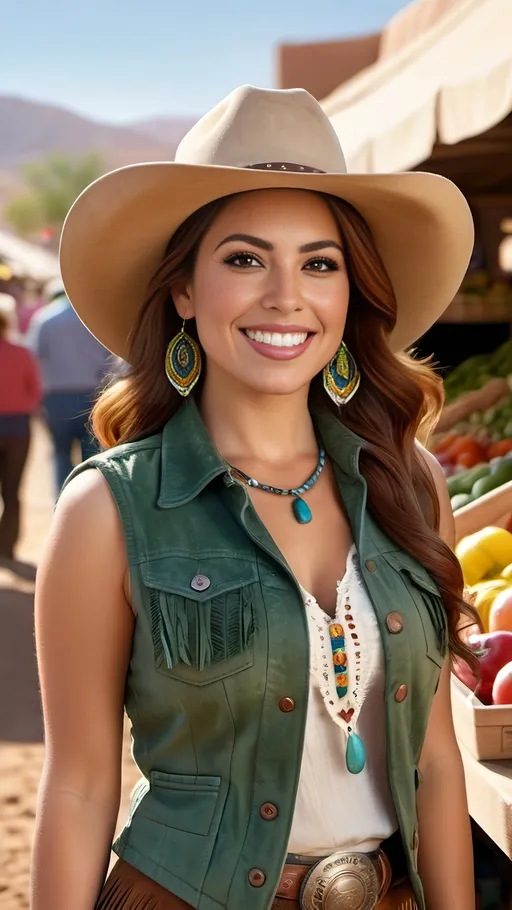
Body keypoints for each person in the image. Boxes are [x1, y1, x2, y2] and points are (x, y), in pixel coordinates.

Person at [31, 86, 478, 910]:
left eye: (319, 262)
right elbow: (80, 787)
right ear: (184, 291)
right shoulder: (108, 510)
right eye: (244, 258)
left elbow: (437, 762)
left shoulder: (410, 482)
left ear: (350, 293)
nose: (285, 296)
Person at [27, 282, 113, 495]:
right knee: (93, 456)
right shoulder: (94, 319)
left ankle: (63, 502)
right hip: (93, 394)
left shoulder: (44, 319)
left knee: (61, 454)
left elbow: (33, 357)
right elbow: (110, 358)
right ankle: (92, 501)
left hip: (56, 397)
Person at [0, 307, 41, 561]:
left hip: (14, 422)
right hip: (17, 427)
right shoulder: (22, 353)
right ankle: (6, 546)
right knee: (12, 490)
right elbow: (35, 392)